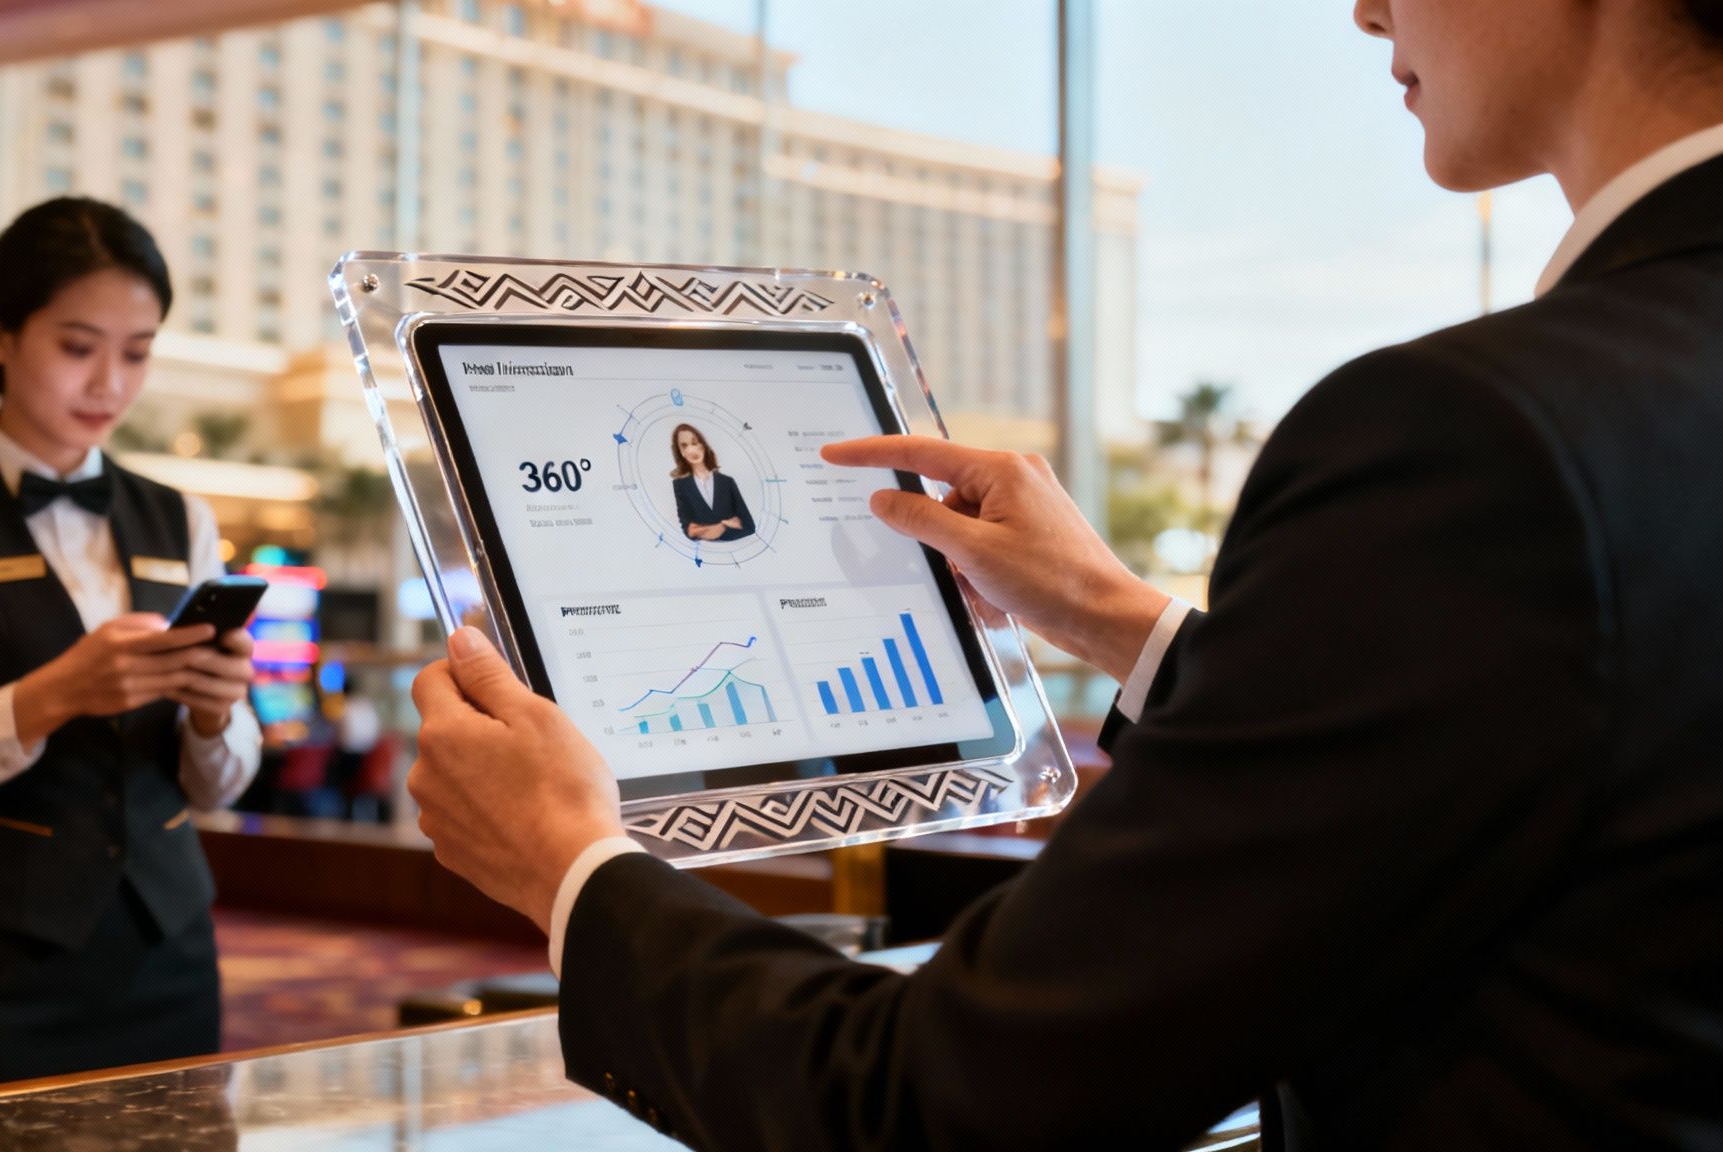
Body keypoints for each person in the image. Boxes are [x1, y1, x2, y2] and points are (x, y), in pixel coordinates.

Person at [403, 0, 1723, 1146]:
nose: (1370, 12)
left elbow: (940, 1102)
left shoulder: (1476, 439)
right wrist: (1117, 619)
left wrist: (570, 865)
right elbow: (1564, 739)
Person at [0, 197, 263, 1098]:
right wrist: (49, 696)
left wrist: (217, 717)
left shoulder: (181, 516)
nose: (109, 382)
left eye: (136, 352)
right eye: (78, 346)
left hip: (169, 956)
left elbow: (218, 785)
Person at [668, 423, 754, 543]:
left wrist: (710, 530)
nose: (691, 449)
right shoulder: (680, 485)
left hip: (735, 548)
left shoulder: (727, 482)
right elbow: (689, 531)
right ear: (681, 452)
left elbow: (749, 526)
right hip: (703, 553)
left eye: (695, 442)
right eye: (684, 445)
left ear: (703, 445)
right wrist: (726, 524)